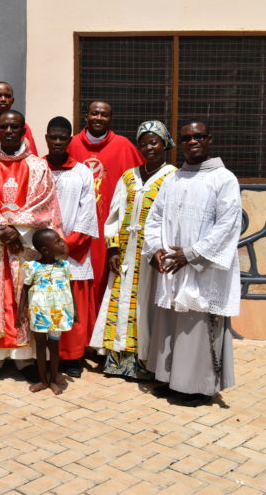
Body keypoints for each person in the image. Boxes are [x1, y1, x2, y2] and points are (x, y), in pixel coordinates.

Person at [143, 121, 240, 407]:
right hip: (172, 267)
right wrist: (156, 250)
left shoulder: (224, 179)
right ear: (180, 144)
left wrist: (192, 254)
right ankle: (170, 379)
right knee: (170, 325)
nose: (192, 141)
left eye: (199, 136)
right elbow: (155, 218)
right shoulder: (173, 179)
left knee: (196, 326)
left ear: (209, 139)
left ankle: (197, 387)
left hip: (202, 269)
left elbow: (228, 224)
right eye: (186, 138)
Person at [0, 110, 63, 382]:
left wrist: (16, 229)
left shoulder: (38, 166)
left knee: (24, 295)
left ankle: (23, 359)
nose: (9, 131)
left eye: (14, 127)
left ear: (23, 131)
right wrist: (3, 229)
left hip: (27, 245)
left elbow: (44, 204)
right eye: (4, 127)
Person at [89, 121, 177, 379]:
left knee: (147, 305)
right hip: (126, 253)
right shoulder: (129, 176)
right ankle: (119, 360)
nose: (149, 147)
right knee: (122, 303)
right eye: (144, 143)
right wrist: (113, 249)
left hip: (153, 254)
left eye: (154, 142)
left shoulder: (172, 176)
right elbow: (113, 215)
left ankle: (148, 363)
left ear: (164, 144)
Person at [67, 101, 144, 313]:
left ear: (111, 119)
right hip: (77, 227)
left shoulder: (123, 146)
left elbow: (140, 183)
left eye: (104, 115)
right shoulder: (71, 144)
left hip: (110, 226)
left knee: (107, 277)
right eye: (95, 114)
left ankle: (103, 337)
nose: (99, 118)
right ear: (86, 116)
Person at [44, 117, 99, 378]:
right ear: (46, 138)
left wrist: (67, 245)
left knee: (70, 304)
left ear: (69, 140)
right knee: (43, 304)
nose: (57, 142)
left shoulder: (82, 172)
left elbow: (88, 214)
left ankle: (73, 357)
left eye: (62, 138)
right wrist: (44, 247)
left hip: (70, 252)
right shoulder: (35, 168)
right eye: (53, 137)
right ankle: (43, 356)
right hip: (41, 251)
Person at [17, 229, 76, 395]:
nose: (62, 242)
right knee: (41, 346)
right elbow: (25, 289)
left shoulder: (64, 266)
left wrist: (75, 310)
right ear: (45, 250)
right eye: (57, 241)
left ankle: (53, 381)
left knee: (54, 347)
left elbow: (70, 289)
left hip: (58, 313)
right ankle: (42, 380)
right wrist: (21, 311)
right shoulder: (33, 267)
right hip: (39, 313)